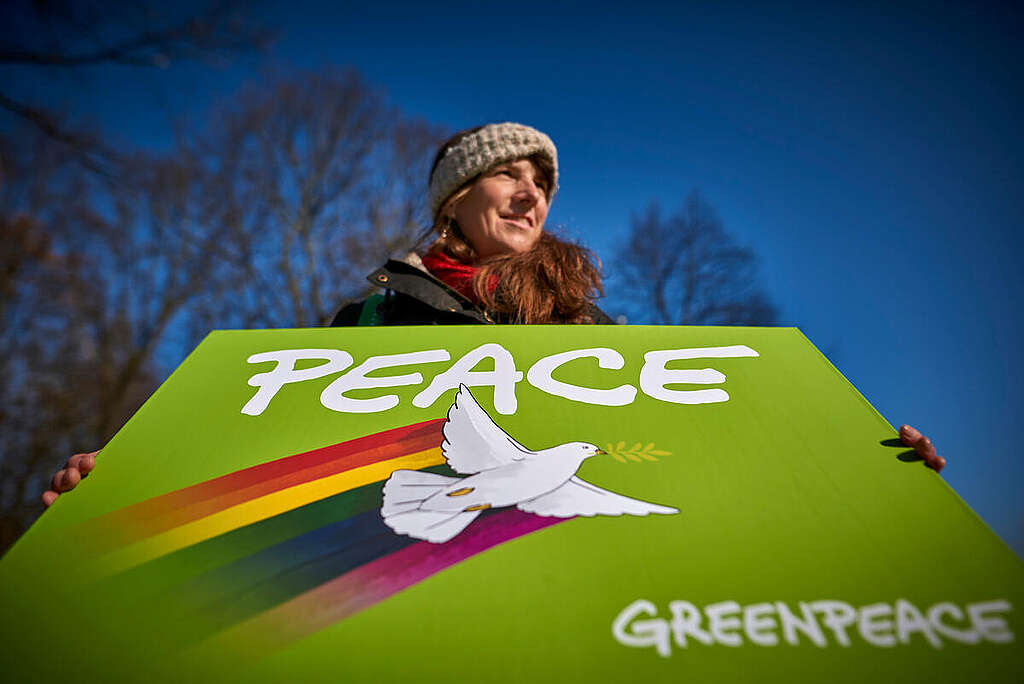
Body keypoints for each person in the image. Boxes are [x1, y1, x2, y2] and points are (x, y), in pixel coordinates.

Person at [41, 122, 945, 507]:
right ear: (455, 201)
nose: (532, 193)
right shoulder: (363, 322)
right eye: (511, 174)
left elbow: (710, 462)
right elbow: (262, 445)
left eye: (544, 182)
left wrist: (865, 473)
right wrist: (118, 488)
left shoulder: (603, 341)